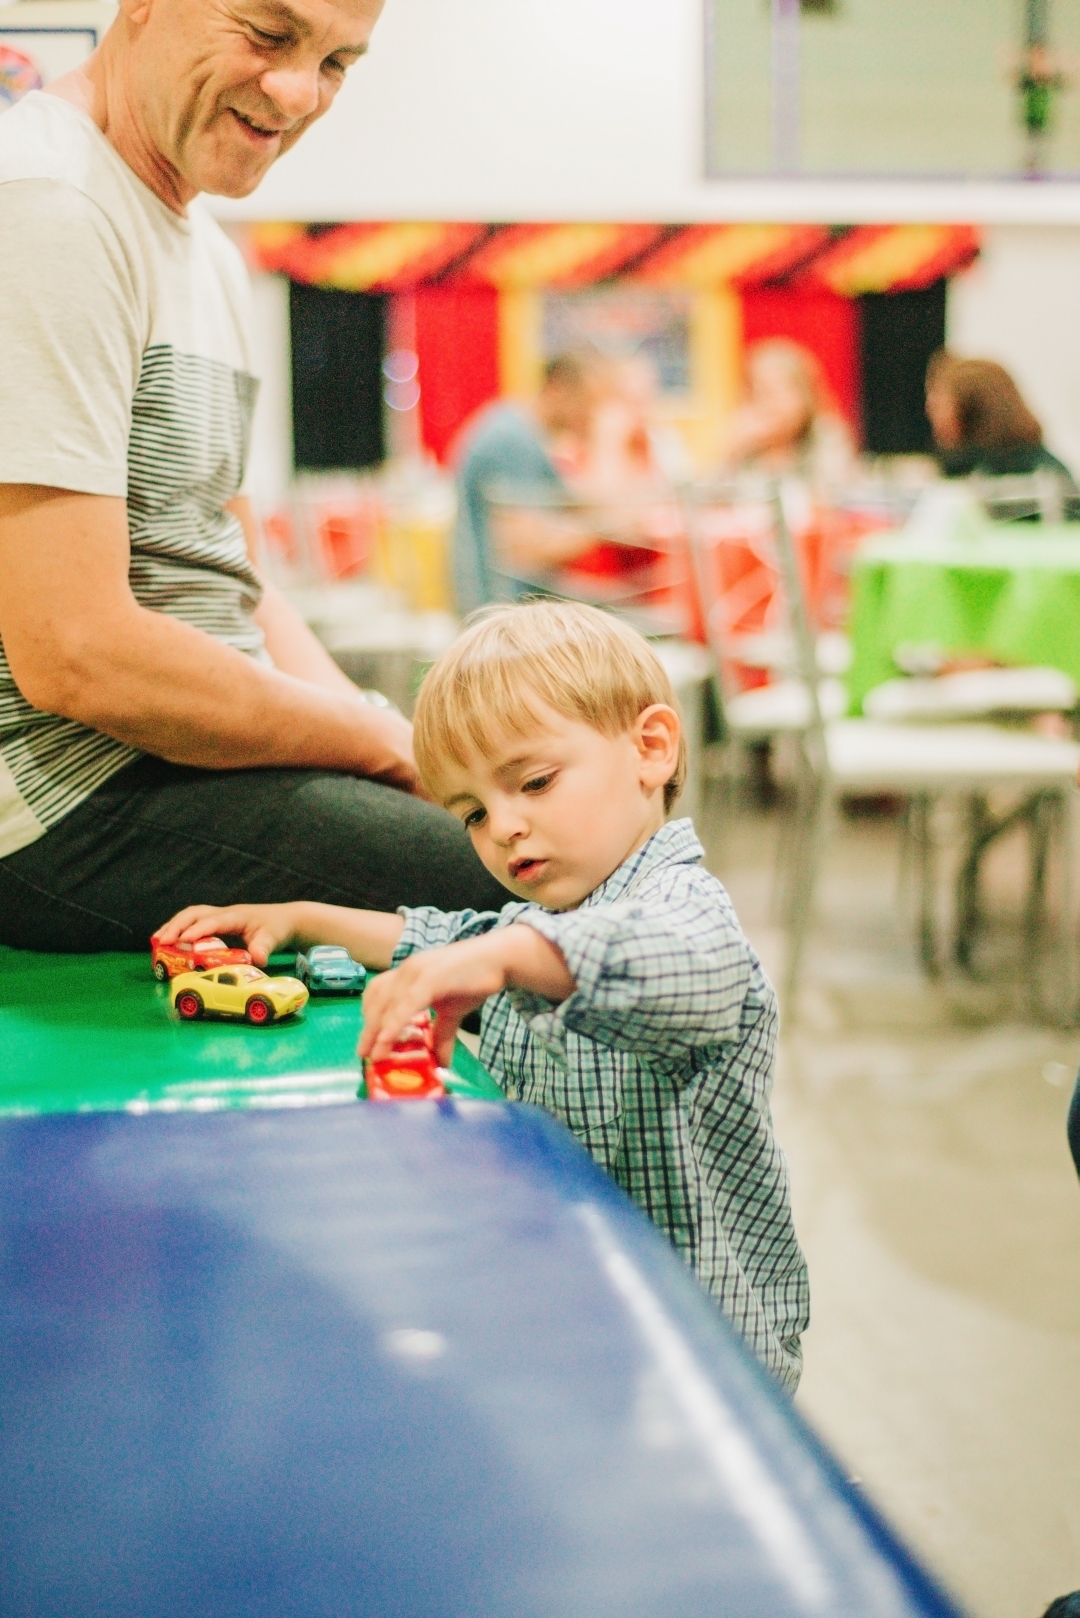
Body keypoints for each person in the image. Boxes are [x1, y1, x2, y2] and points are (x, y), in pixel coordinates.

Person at [156, 600, 809, 1389]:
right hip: (578, 1316)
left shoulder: (681, 909)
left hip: (697, 1351)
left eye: (533, 782)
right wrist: (303, 918)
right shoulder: (543, 921)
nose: (503, 827)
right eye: (471, 813)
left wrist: (503, 955)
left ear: (651, 748)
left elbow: (679, 969)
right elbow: (445, 939)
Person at [0, 0, 507, 953]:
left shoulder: (207, 249)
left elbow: (241, 577)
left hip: (180, 767)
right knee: (540, 886)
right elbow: (74, 653)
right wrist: (372, 742)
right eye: (269, 36)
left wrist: (389, 740)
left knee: (567, 844)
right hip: (60, 810)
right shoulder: (48, 206)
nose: (298, 93)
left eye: (337, 63)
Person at [451, 350, 623, 615]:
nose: (591, 416)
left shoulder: (525, 434)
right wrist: (605, 530)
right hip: (497, 614)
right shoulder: (511, 439)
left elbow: (582, 504)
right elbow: (523, 550)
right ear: (559, 389)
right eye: (588, 404)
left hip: (507, 606)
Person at [718, 338, 856, 491]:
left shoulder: (825, 435)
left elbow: (832, 493)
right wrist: (732, 451)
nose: (765, 403)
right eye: (756, 390)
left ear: (804, 395)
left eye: (772, 392)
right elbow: (712, 496)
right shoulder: (744, 440)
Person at [925, 351, 1077, 488]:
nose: (930, 414)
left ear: (969, 412)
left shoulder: (968, 482)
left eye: (939, 406)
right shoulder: (1050, 472)